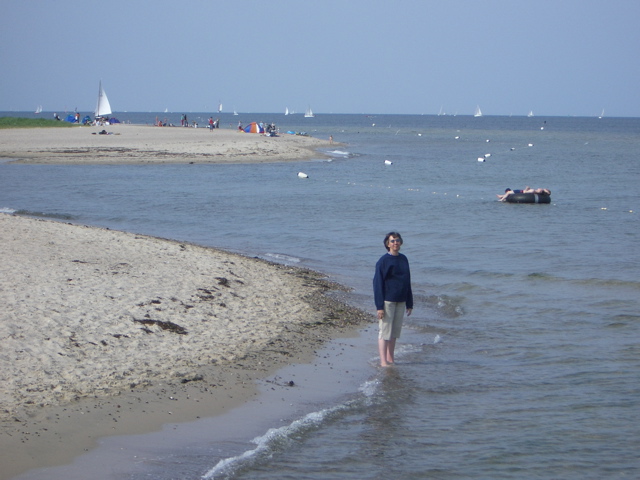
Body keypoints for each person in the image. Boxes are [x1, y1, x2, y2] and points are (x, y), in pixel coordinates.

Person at [373, 232, 413, 367]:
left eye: (397, 240)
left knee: (394, 333)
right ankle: (383, 361)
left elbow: (407, 281)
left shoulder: (404, 259)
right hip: (387, 301)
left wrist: (410, 302)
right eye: (392, 241)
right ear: (387, 244)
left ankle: (391, 359)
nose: (395, 243)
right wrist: (379, 306)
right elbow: (377, 284)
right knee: (385, 332)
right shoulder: (383, 261)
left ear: (401, 242)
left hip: (401, 300)